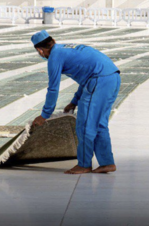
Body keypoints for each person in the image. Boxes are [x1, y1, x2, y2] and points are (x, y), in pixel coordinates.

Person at [30, 30, 121, 175]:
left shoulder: (55, 56)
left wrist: (44, 115)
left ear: (40, 50)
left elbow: (53, 89)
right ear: (52, 40)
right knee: (99, 124)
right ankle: (107, 163)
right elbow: (86, 77)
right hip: (112, 78)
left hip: (99, 81)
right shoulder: (66, 48)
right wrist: (74, 101)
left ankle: (84, 164)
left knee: (84, 125)